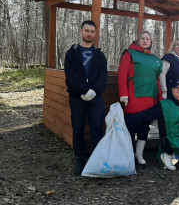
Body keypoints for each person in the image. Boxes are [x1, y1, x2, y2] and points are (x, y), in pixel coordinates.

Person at [64, 20, 108, 175]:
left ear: (95, 34)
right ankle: (80, 159)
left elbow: (103, 77)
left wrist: (94, 91)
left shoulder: (100, 55)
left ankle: (96, 159)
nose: (89, 34)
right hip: (77, 96)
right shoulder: (72, 53)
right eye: (87, 30)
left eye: (92, 31)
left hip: (96, 98)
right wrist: (83, 90)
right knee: (78, 128)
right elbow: (70, 76)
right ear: (81, 31)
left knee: (97, 127)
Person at [118, 31, 163, 165]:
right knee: (130, 126)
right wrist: (123, 94)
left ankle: (139, 154)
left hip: (150, 98)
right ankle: (128, 154)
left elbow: (157, 80)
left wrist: (160, 98)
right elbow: (122, 74)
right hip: (133, 97)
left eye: (147, 39)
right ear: (138, 40)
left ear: (151, 42)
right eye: (142, 38)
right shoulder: (129, 54)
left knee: (145, 127)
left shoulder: (155, 58)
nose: (145, 41)